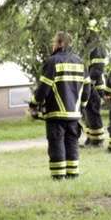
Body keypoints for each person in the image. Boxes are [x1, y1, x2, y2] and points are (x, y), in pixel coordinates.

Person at [30, 31, 88, 180]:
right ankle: (72, 173)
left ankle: (58, 176)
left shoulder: (53, 62)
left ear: (61, 43)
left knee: (57, 143)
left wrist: (34, 104)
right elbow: (87, 88)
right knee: (72, 142)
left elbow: (44, 88)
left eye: (54, 42)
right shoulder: (80, 62)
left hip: (56, 113)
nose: (53, 45)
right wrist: (82, 105)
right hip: (74, 114)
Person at [82, 22, 109, 148]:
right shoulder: (91, 48)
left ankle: (97, 141)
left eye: (89, 32)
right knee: (88, 113)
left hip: (96, 86)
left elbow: (97, 69)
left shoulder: (97, 48)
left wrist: (89, 82)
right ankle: (90, 138)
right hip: (90, 85)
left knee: (93, 112)